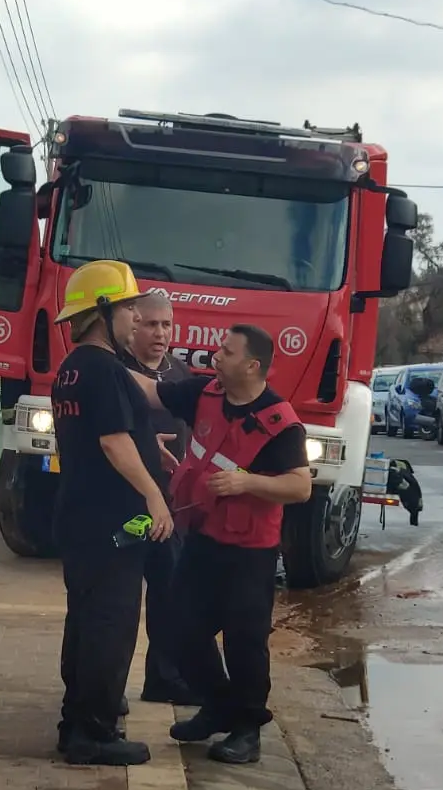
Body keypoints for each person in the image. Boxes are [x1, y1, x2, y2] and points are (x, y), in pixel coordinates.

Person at [133, 325, 313, 765]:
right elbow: (153, 392)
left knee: (244, 641)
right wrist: (104, 366)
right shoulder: (205, 393)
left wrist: (245, 482)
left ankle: (247, 730)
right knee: (178, 626)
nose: (216, 356)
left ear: (252, 366)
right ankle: (217, 705)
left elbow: (301, 487)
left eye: (227, 352)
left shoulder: (280, 421)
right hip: (204, 537)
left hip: (250, 550)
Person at [49, 260, 174, 767]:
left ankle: (76, 720)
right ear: (104, 312)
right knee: (112, 622)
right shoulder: (104, 370)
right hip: (115, 525)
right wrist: (154, 495)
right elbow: (111, 440)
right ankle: (94, 733)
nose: (135, 318)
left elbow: (114, 437)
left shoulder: (72, 367)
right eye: (128, 308)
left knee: (85, 618)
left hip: (82, 518)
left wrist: (150, 448)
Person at [121, 290, 200, 705]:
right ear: (133, 325)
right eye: (151, 324)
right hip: (125, 507)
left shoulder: (180, 374)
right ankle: (107, 686)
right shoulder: (115, 371)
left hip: (171, 508)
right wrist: (146, 443)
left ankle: (164, 678)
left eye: (167, 325)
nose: (160, 333)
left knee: (171, 591)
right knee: (119, 594)